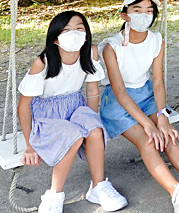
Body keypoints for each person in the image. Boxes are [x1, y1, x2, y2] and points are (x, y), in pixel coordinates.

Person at [99, 0, 179, 213]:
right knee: (147, 140)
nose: (144, 15)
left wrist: (162, 116)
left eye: (149, 10)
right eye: (137, 10)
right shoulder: (111, 47)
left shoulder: (157, 40)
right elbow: (121, 93)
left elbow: (157, 83)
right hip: (118, 103)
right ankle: (176, 191)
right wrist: (147, 123)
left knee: (167, 133)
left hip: (146, 96)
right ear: (125, 15)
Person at [18, 11, 126, 213]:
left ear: (86, 34)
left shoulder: (90, 53)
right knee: (73, 135)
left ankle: (98, 186)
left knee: (94, 130)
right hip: (47, 116)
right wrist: (29, 145)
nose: (73, 33)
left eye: (78, 28)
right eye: (66, 30)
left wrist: (91, 118)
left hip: (76, 107)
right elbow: (24, 105)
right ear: (56, 38)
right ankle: (54, 194)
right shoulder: (43, 63)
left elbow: (92, 90)